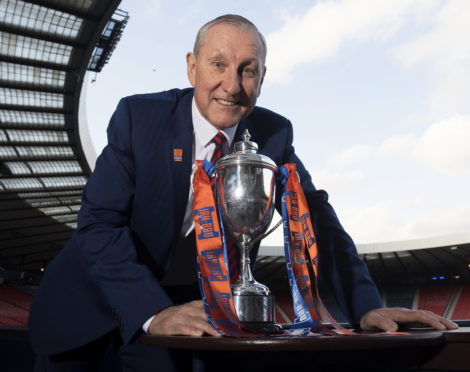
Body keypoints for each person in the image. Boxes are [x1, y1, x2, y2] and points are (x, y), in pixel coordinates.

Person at [29, 14, 457, 371]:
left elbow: (319, 224)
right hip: (88, 310)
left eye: (247, 69)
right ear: (191, 67)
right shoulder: (139, 117)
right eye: (218, 65)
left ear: (263, 77)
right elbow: (99, 225)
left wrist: (366, 307)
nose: (232, 86)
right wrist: (152, 312)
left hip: (179, 321)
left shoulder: (273, 134)